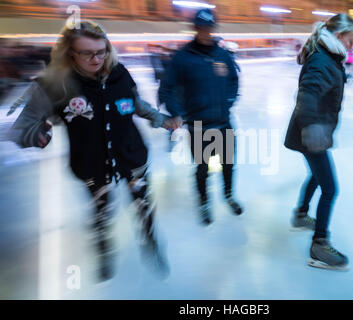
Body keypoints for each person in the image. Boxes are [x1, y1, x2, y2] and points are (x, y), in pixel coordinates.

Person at [9, 20, 180, 281]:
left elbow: (134, 103)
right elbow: (19, 130)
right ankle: (104, 248)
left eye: (101, 51)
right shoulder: (56, 85)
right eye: (87, 53)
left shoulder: (119, 73)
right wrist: (38, 134)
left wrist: (160, 118)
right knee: (101, 209)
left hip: (131, 155)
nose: (96, 58)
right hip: (91, 162)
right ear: (70, 53)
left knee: (143, 203)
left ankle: (150, 240)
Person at [284, 13, 353, 270]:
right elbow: (307, 96)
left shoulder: (329, 57)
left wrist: (344, 79)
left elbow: (323, 83)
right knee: (330, 188)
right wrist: (313, 128)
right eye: (351, 40)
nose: (352, 45)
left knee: (317, 177)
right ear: (338, 37)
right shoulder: (322, 60)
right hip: (311, 134)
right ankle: (319, 246)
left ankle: (301, 215)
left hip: (314, 132)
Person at [160, 8, 242, 225]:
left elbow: (234, 80)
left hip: (224, 122)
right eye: (201, 27)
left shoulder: (223, 54)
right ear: (195, 28)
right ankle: (204, 201)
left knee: (229, 163)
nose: (205, 32)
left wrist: (229, 100)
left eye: (209, 27)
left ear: (213, 28)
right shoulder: (183, 57)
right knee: (203, 168)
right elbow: (166, 89)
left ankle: (228, 195)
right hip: (199, 125)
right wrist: (178, 112)